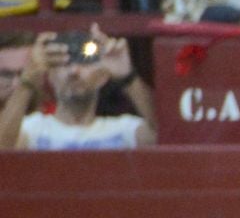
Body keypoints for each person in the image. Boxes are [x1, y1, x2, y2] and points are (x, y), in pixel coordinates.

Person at [2, 27, 157, 150]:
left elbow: (164, 135)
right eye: (64, 64)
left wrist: (128, 76)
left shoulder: (124, 129)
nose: (74, 71)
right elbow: (3, 151)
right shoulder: (31, 128)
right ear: (50, 76)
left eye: (85, 63)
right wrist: (28, 79)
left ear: (103, 76)